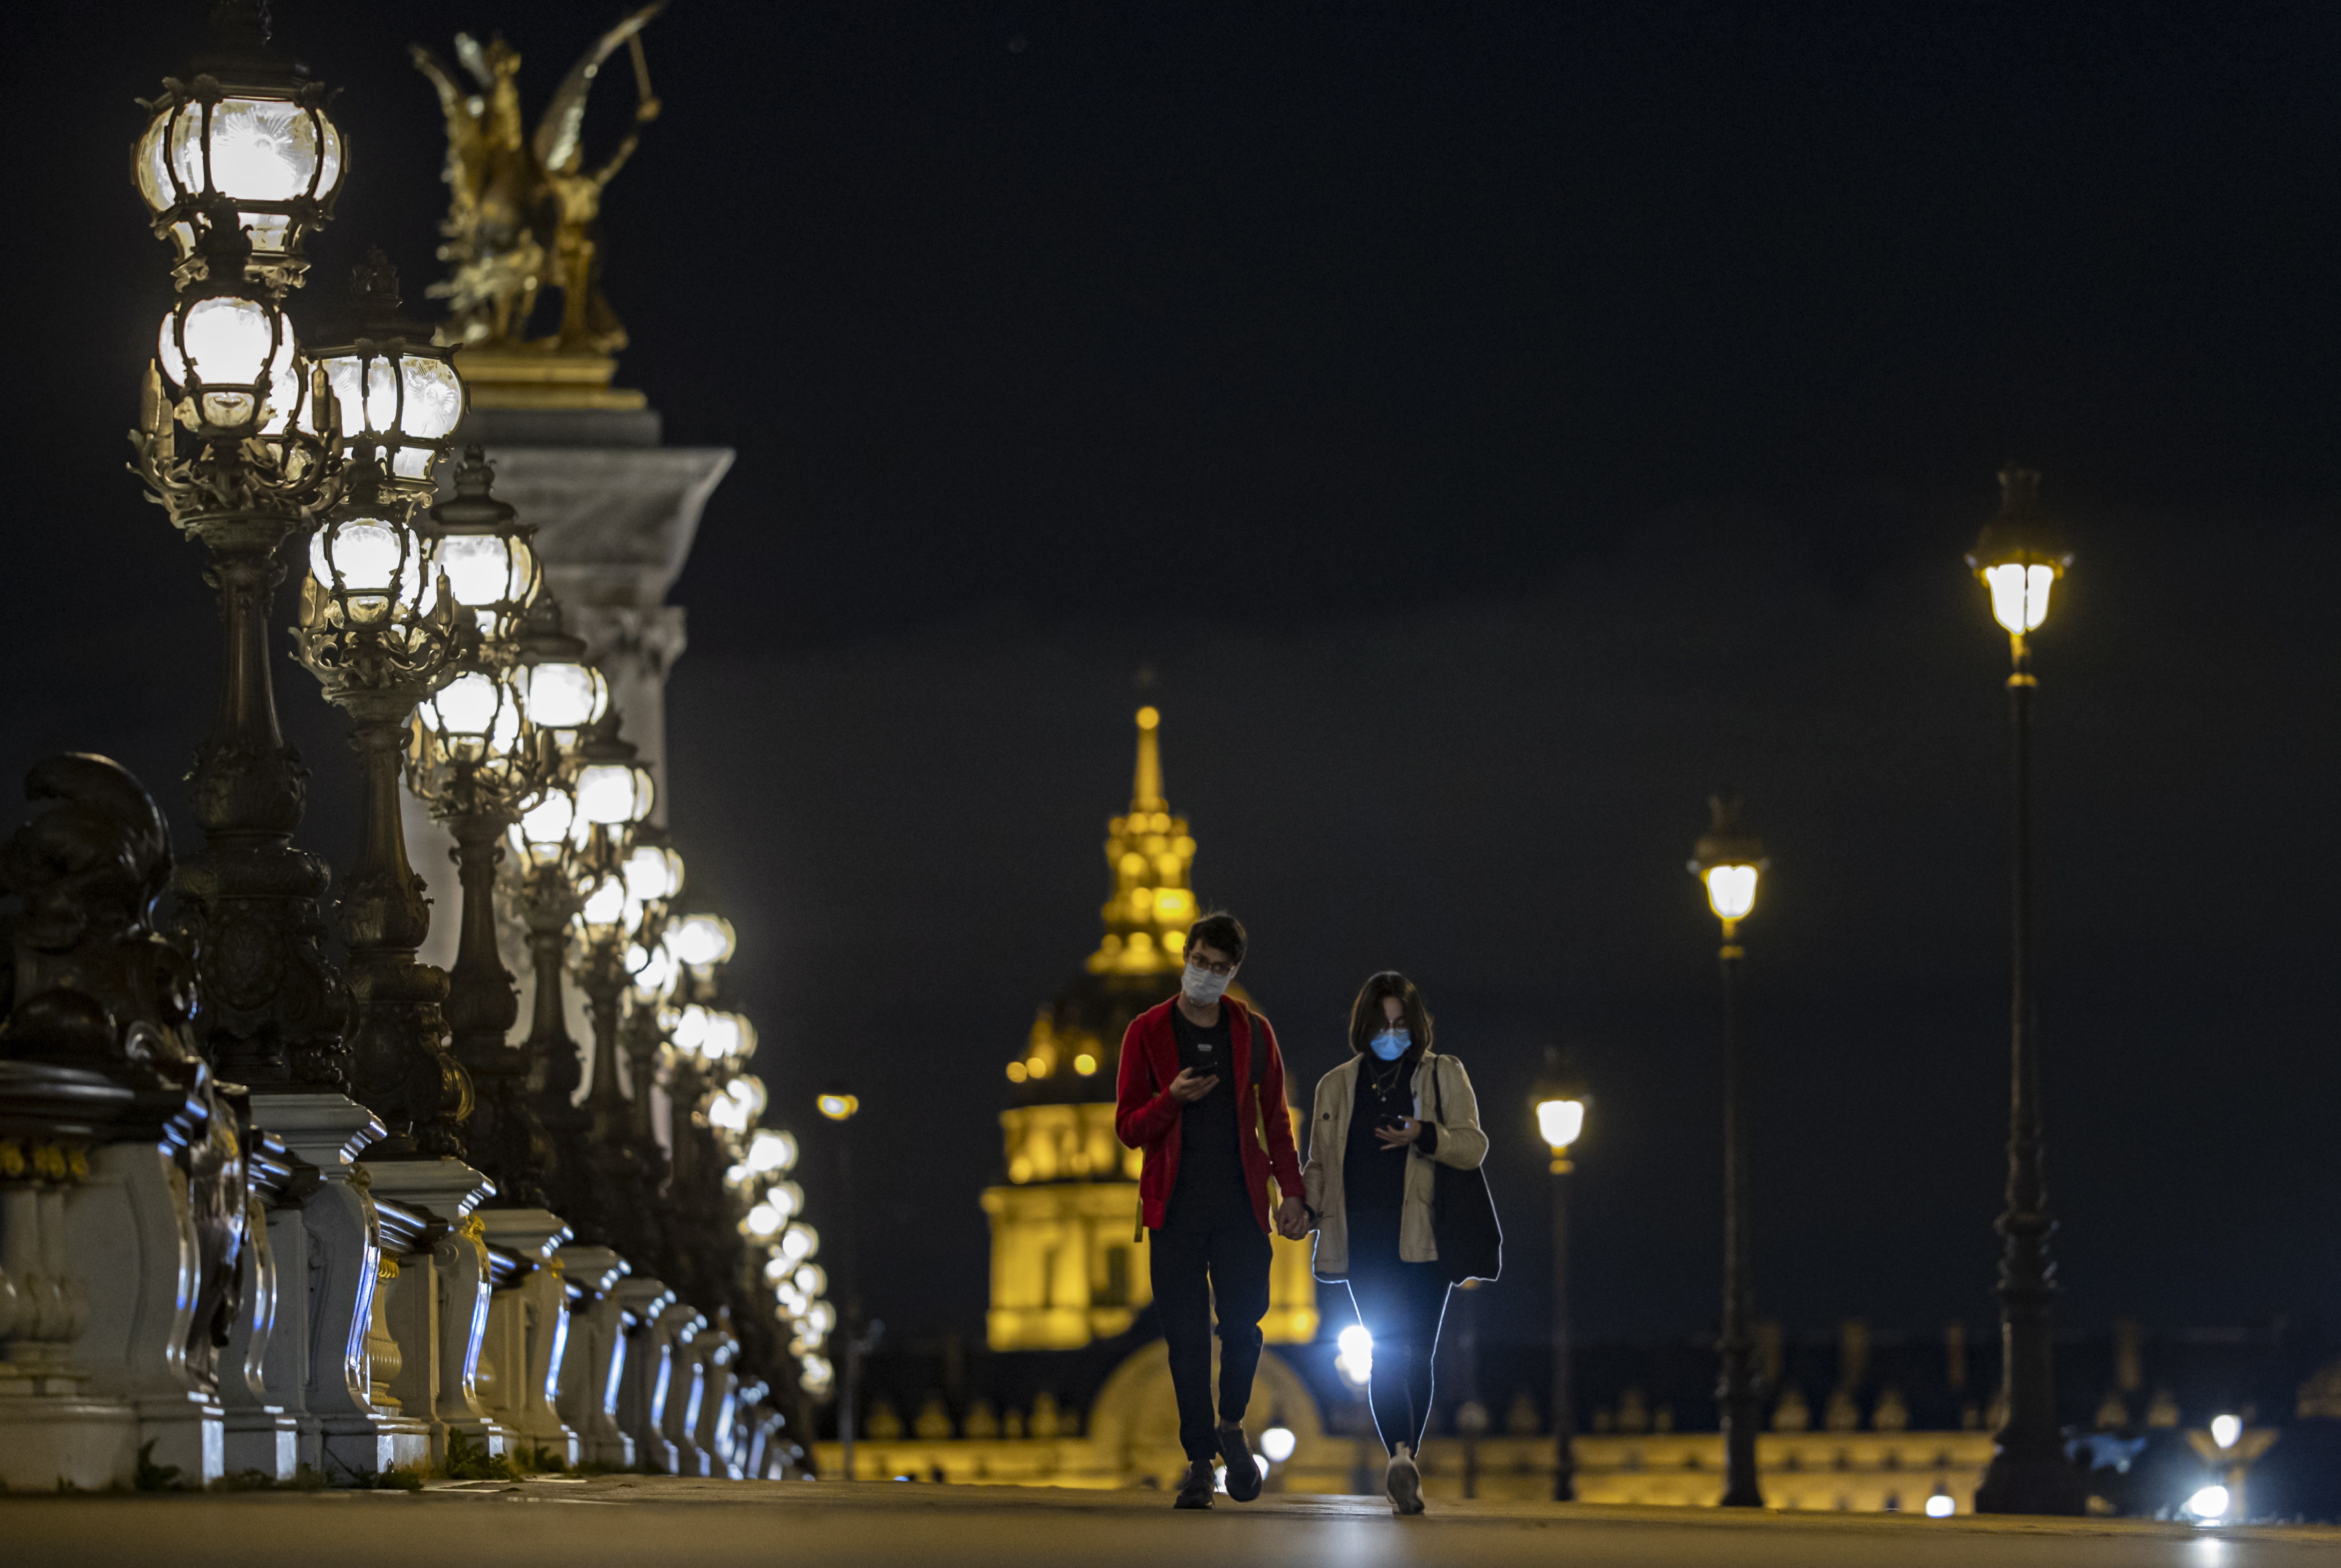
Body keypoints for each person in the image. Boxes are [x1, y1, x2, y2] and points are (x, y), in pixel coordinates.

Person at [1114, 912, 1307, 1510]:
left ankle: (1230, 1423)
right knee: (1184, 1339)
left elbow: (1276, 1120)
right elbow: (1127, 1127)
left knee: (1246, 1325)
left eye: (1219, 969)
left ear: (1233, 972)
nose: (1207, 975)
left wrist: (1292, 1191)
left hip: (1239, 1201)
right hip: (1172, 1206)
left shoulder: (1254, 1032)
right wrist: (1169, 1100)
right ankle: (1200, 1461)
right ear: (1186, 957)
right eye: (1200, 963)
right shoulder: (1144, 1032)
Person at [1298, 971, 1487, 1515]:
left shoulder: (1442, 1074)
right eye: (1382, 1023)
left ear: (1416, 1025)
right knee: (1386, 1347)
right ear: (1363, 1025)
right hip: (1362, 1236)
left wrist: (1423, 1135)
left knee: (1417, 1352)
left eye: (1401, 1023)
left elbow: (1473, 1145)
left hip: (1426, 1231)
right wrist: (1306, 1207)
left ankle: (1407, 1456)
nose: (1391, 1032)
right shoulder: (1336, 1085)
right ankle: (1400, 1458)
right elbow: (1319, 1161)